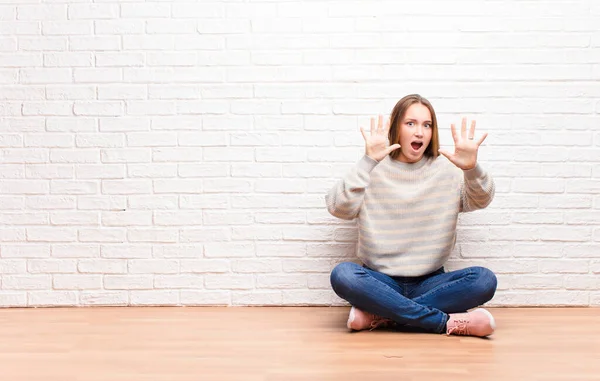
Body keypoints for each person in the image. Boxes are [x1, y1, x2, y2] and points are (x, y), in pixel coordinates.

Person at [326, 94, 498, 338]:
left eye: (427, 125)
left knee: (483, 280)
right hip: (380, 280)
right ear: (396, 127)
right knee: (343, 275)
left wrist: (471, 169)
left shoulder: (447, 169)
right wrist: (367, 162)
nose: (420, 132)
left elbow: (481, 200)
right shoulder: (372, 168)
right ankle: (443, 322)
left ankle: (382, 313)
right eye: (411, 123)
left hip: (431, 281)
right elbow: (337, 208)